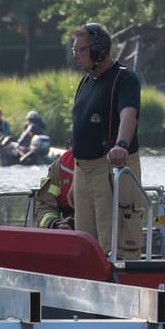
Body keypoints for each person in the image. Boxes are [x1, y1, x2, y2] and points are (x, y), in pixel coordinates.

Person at [69, 22, 144, 258]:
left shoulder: (124, 79)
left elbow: (128, 114)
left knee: (114, 242)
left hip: (110, 169)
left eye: (80, 50)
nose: (76, 56)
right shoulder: (85, 82)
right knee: (85, 243)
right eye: (74, 51)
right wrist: (74, 179)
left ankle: (119, 285)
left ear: (99, 50)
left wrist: (121, 145)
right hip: (84, 172)